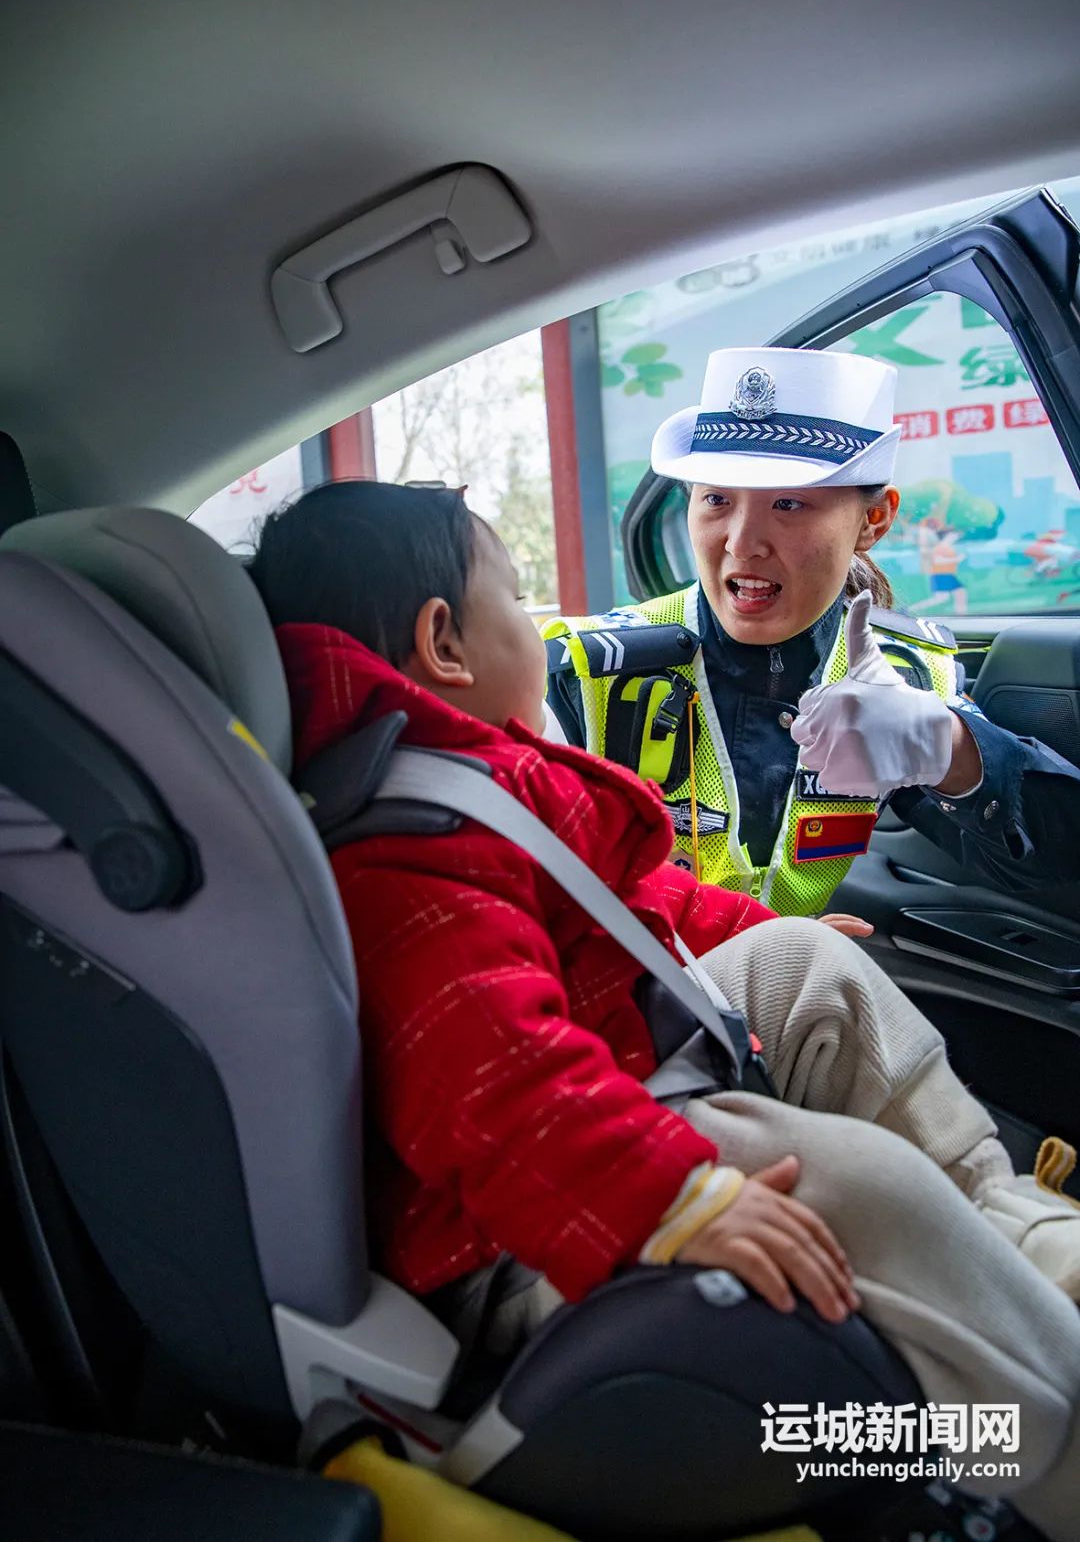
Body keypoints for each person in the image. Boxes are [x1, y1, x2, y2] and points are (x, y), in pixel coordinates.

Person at [251, 481, 1080, 1536]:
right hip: (524, 1227)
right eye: (516, 596)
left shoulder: (475, 786)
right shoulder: (404, 855)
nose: (542, 625)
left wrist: (748, 931)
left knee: (797, 964)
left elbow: (636, 906)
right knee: (854, 1182)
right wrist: (675, 1200)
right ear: (445, 643)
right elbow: (492, 1083)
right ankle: (1047, 1438)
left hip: (608, 1089)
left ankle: (1015, 1233)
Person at [545, 347, 1080, 910]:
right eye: (717, 500)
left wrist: (948, 747)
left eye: (790, 504)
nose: (742, 542)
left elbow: (1053, 861)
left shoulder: (901, 677)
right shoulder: (590, 673)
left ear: (874, 520)